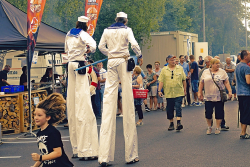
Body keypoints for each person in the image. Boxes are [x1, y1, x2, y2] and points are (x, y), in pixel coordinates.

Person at [98, 12, 142, 166]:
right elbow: (134, 44)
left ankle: (104, 156)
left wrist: (110, 53)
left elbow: (100, 46)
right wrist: (139, 54)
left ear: (115, 19)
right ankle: (130, 155)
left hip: (111, 62)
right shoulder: (127, 30)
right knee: (128, 103)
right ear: (125, 20)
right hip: (123, 61)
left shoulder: (106, 30)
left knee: (108, 103)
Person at [65, 16, 99, 160]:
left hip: (70, 65)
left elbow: (66, 49)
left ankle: (76, 148)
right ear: (86, 25)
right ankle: (87, 149)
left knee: (72, 105)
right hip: (80, 65)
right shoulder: (83, 34)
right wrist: (88, 50)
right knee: (83, 106)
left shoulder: (68, 33)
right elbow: (94, 45)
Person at [31, 93, 74, 167]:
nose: (36, 118)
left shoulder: (53, 132)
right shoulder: (39, 133)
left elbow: (58, 153)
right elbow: (46, 154)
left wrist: (40, 157)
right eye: (35, 115)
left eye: (39, 115)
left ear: (48, 117)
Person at [198, 58, 232, 135]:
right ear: (212, 64)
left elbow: (226, 82)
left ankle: (217, 127)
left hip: (219, 96)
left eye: (218, 63)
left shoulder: (222, 72)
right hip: (208, 96)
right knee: (208, 112)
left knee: (219, 112)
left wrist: (229, 91)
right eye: (216, 63)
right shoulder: (205, 72)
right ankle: (209, 127)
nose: (218, 65)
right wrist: (200, 92)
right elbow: (201, 83)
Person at [158, 55, 186, 131]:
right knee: (169, 108)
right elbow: (161, 81)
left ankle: (179, 123)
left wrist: (185, 90)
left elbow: (184, 80)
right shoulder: (164, 70)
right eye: (171, 60)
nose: (173, 61)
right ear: (167, 61)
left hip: (178, 92)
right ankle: (171, 123)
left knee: (178, 107)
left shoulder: (180, 68)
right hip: (169, 93)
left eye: (174, 60)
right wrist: (159, 90)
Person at [235, 50, 250, 139]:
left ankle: (243, 131)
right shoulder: (247, 68)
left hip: (240, 92)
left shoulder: (237, 66)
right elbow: (248, 81)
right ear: (245, 57)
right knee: (246, 112)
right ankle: (243, 132)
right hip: (247, 93)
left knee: (242, 112)